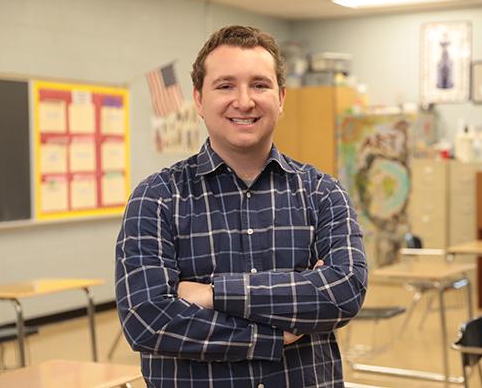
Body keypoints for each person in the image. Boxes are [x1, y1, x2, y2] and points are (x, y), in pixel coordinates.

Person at [115, 25, 368, 387]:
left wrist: (211, 294)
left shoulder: (322, 193)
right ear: (199, 100)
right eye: (225, 85)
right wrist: (271, 334)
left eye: (260, 85)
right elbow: (147, 319)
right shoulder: (156, 199)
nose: (244, 101)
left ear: (281, 98)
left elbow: (344, 291)